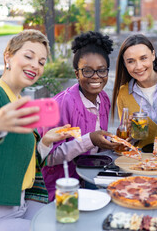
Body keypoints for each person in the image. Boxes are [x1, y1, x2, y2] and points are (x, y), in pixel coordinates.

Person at [0, 30, 71, 231]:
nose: (35, 65)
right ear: (8, 56)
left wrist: (45, 142)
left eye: (41, 62)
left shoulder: (19, 101)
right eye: (28, 56)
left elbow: (22, 159)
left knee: (67, 219)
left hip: (18, 203)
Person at [39, 31, 119, 201]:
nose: (96, 77)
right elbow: (48, 158)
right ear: (77, 74)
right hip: (63, 188)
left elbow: (98, 146)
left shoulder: (103, 99)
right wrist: (90, 139)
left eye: (101, 70)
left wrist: (114, 143)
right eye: (87, 71)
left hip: (92, 176)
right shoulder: (61, 105)